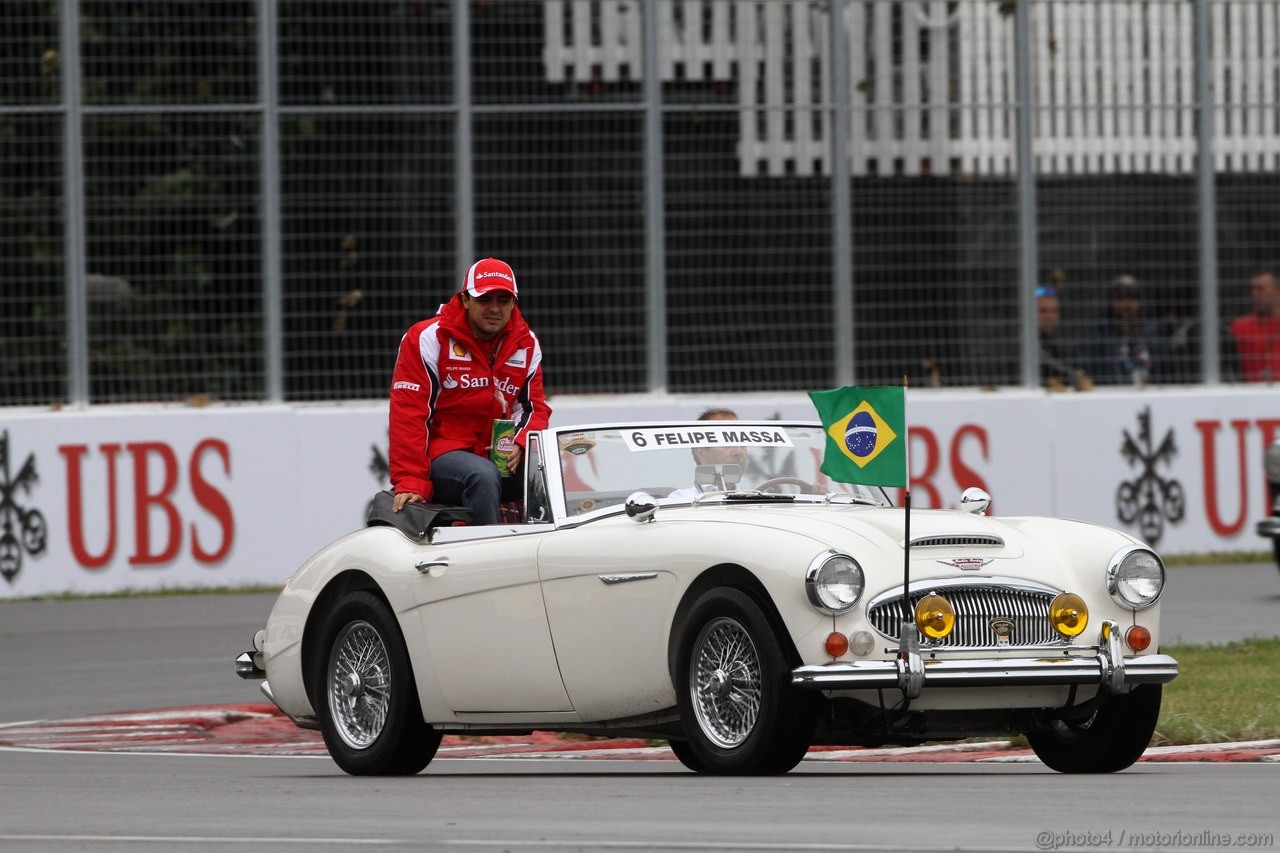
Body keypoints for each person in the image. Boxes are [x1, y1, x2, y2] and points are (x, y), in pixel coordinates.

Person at [388, 258, 551, 524]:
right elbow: (408, 414)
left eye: (504, 300)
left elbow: (534, 407)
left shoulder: (526, 342)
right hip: (441, 456)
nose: (495, 309)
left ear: (514, 302)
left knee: (551, 471)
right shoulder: (428, 337)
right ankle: (487, 560)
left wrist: (521, 442)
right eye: (485, 300)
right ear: (465, 300)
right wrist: (411, 482)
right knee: (482, 475)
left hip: (498, 453)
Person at [1077, 274, 1164, 386]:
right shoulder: (1096, 335)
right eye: (1120, 297)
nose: (1126, 303)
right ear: (1111, 301)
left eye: (1132, 296)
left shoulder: (1153, 333)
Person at [667, 408, 748, 500]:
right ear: (701, 453)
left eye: (742, 443)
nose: (738, 451)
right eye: (727, 442)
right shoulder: (679, 500)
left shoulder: (757, 503)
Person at [1228, 268, 1280, 383]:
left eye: (1260, 289)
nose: (1254, 293)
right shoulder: (1240, 327)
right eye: (1252, 289)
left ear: (1277, 291)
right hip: (1252, 394)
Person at [1036, 284, 1088, 390]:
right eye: (1043, 311)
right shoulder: (1020, 345)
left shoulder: (1069, 343)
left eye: (1054, 311)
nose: (1049, 317)